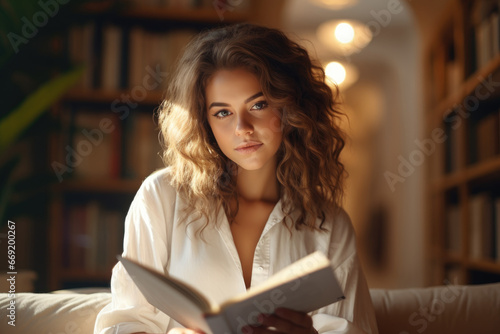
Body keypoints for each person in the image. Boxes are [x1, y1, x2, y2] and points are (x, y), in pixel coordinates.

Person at [94, 23, 378, 334]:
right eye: (222, 112)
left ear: (291, 108)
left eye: (259, 105)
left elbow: (356, 329)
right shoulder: (161, 198)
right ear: (205, 123)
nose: (242, 127)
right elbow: (124, 321)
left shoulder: (329, 224)